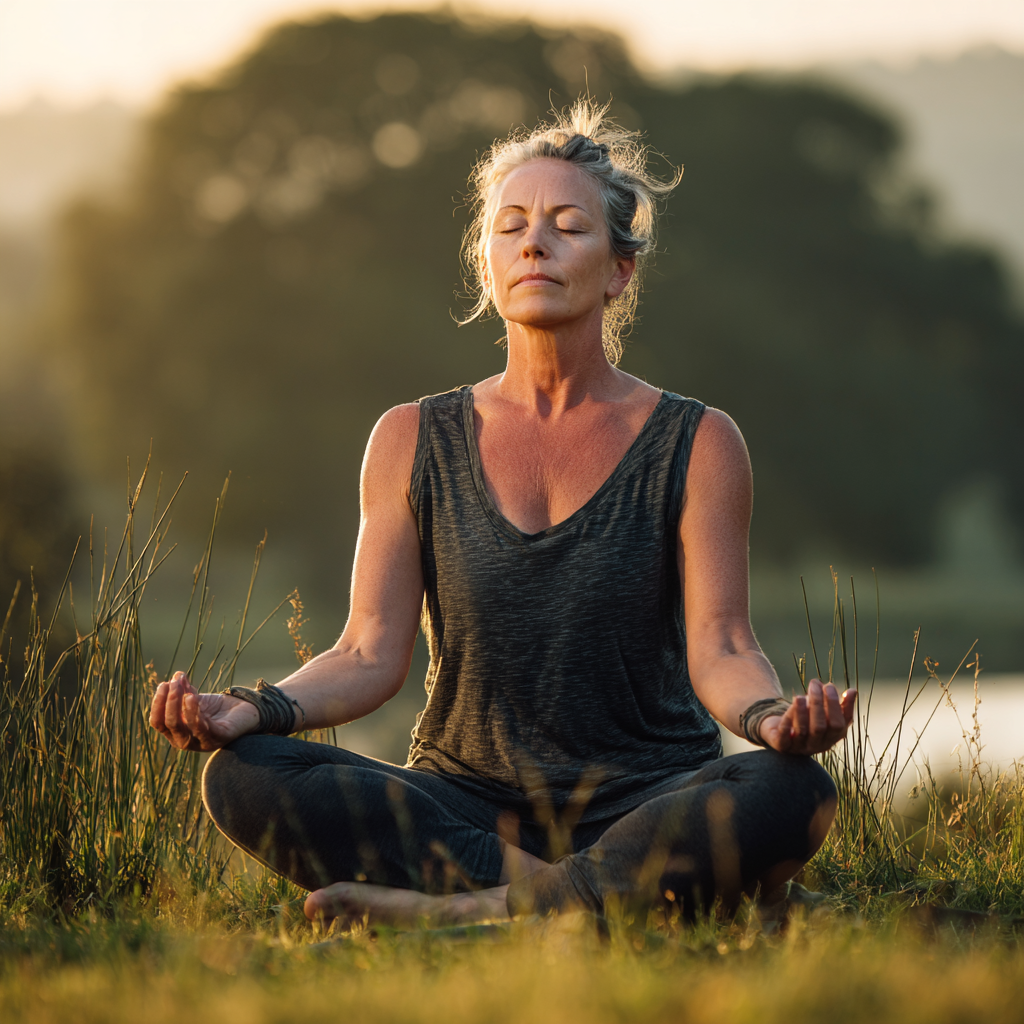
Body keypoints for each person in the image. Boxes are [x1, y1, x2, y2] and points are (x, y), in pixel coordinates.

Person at [150, 101, 856, 929]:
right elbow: (368, 651)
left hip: (649, 801)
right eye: (511, 226)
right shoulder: (411, 438)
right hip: (467, 804)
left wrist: (774, 721)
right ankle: (587, 902)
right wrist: (255, 709)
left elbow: (726, 647)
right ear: (488, 265)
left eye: (568, 226)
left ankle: (465, 914)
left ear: (620, 269)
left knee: (789, 789)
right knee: (244, 775)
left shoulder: (697, 441)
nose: (535, 243)